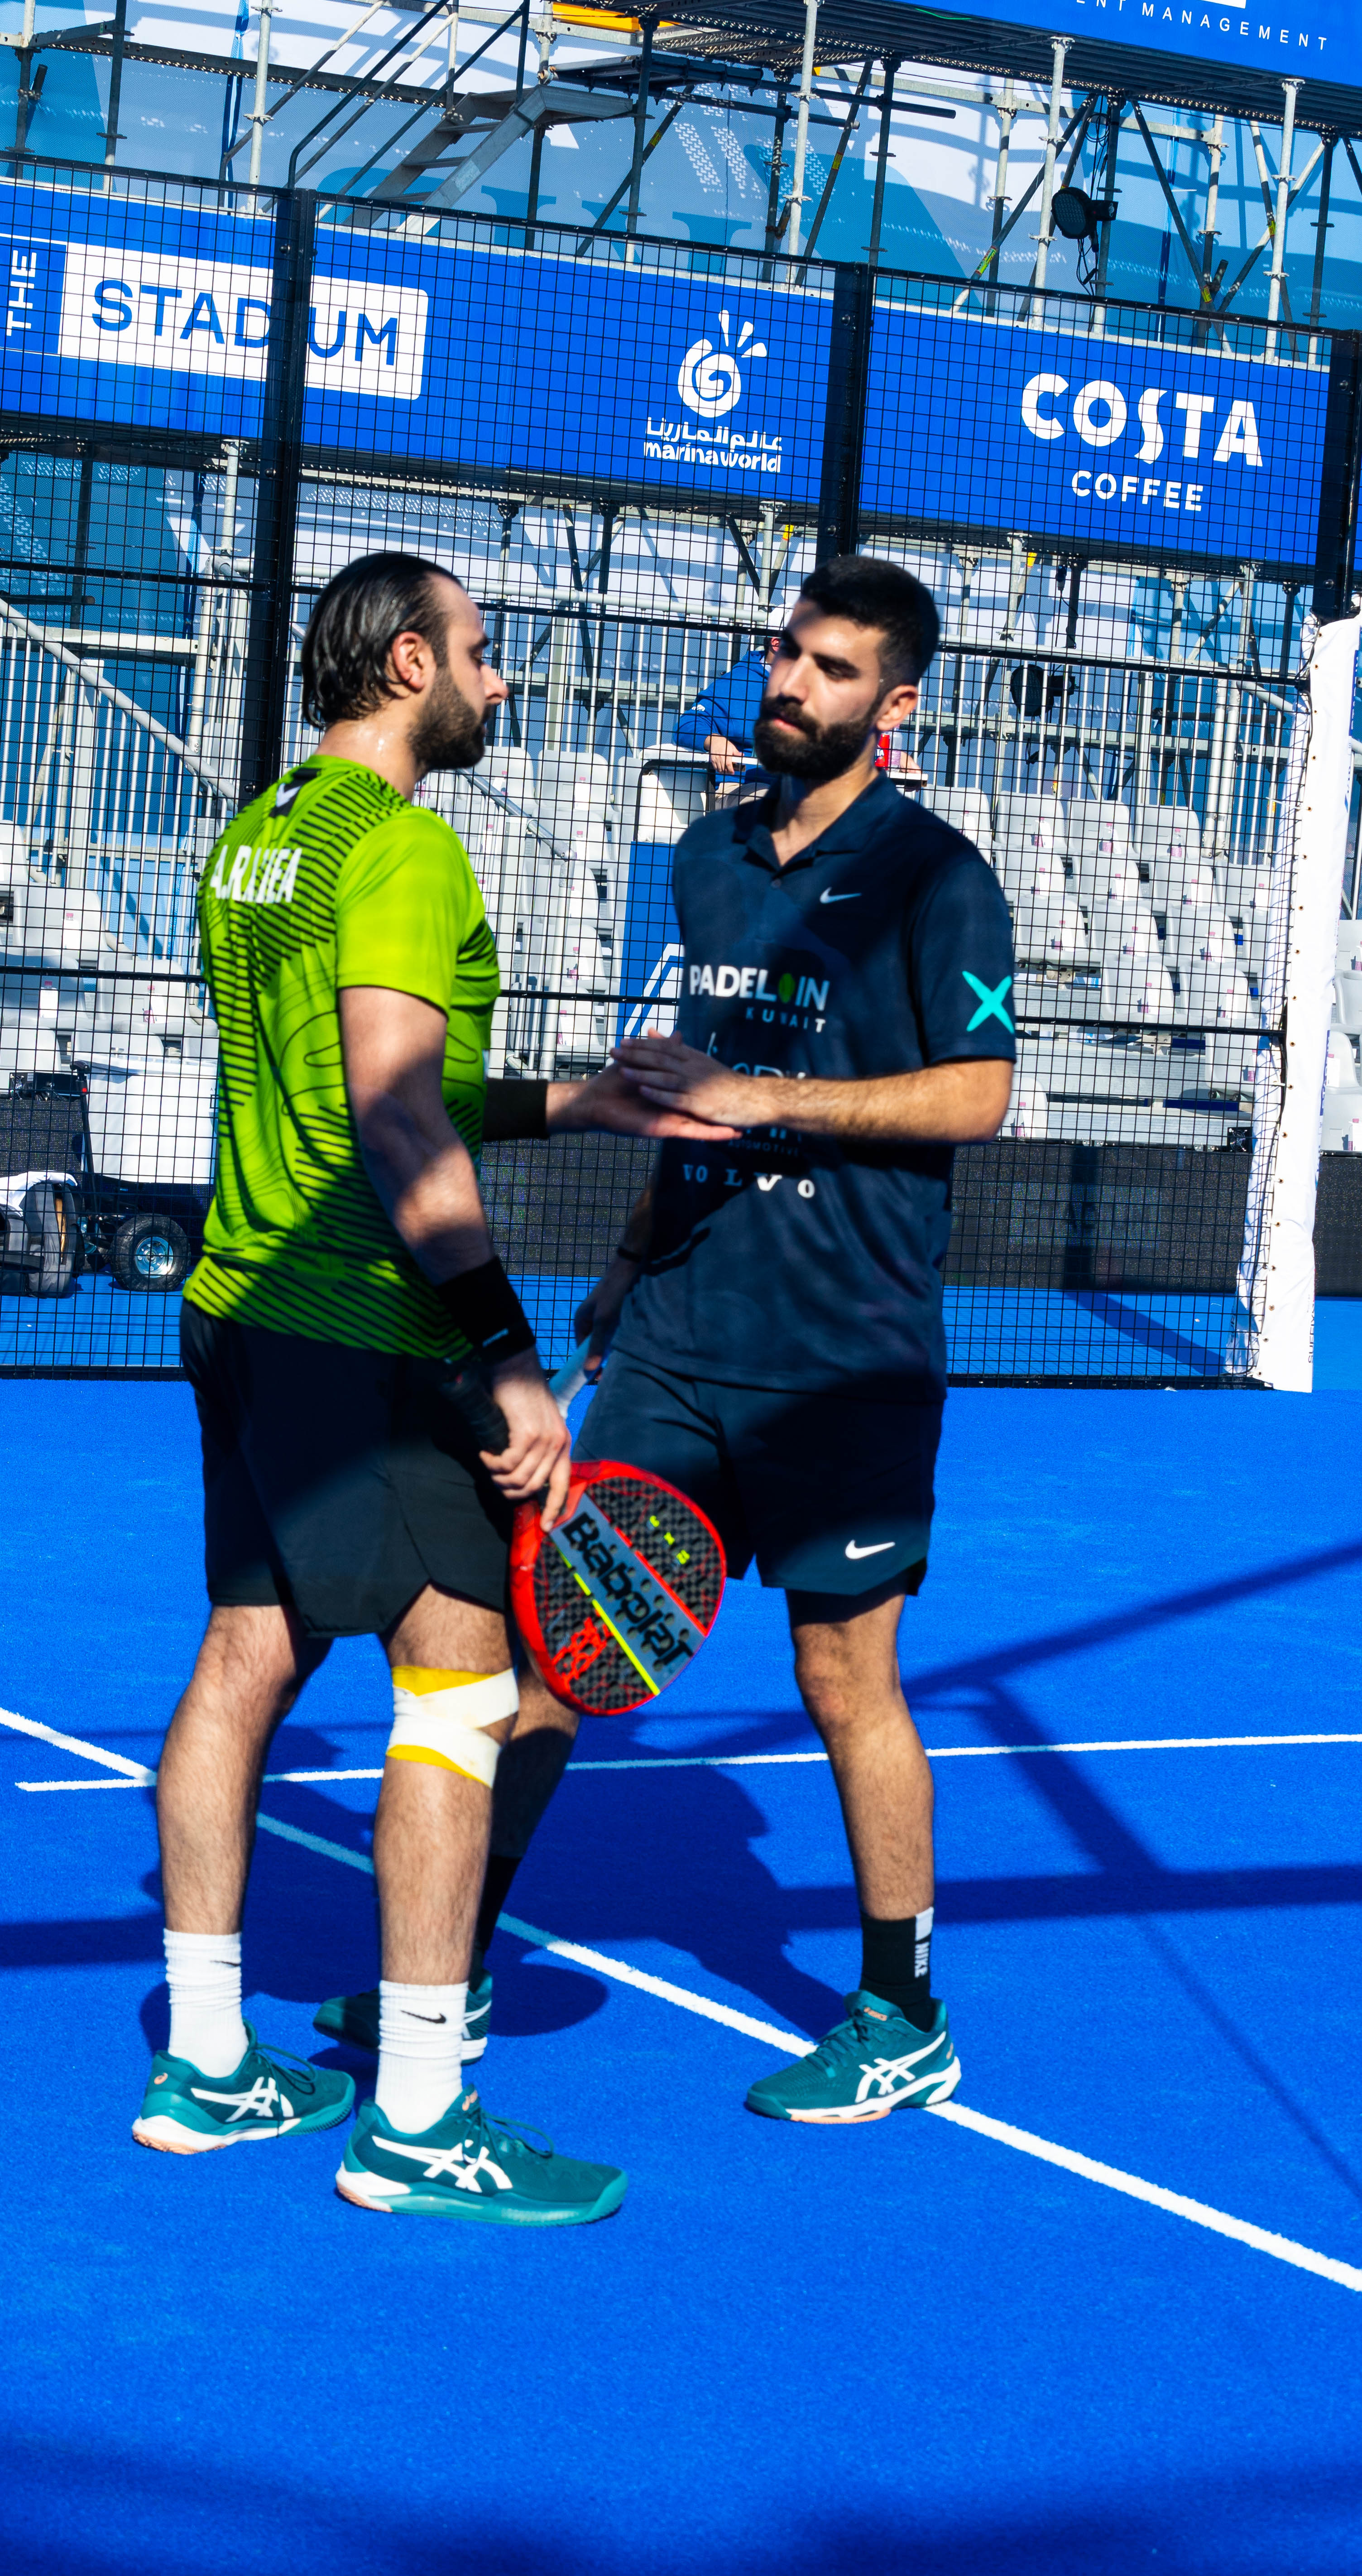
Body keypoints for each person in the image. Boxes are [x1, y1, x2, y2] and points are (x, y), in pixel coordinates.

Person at [371, 552, 1017, 2123]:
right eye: (787, 654)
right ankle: (439, 1973)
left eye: (834, 670)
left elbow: (981, 1095)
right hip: (670, 1333)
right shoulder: (702, 860)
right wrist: (617, 1273)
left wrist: (770, 1101)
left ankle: (899, 2008)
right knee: (550, 1657)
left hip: (843, 1356)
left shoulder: (937, 876)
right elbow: (687, 1109)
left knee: (840, 1676)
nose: (792, 683)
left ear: (895, 705)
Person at [132, 550, 726, 2222]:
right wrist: (507, 1355)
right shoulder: (402, 846)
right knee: (460, 1692)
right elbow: (394, 1122)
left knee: (241, 1658)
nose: (500, 679)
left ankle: (207, 2059)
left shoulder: (261, 835)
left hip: (240, 1304)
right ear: (406, 665)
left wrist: (572, 1105)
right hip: (370, 1330)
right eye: (481, 651)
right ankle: (414, 2116)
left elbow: (371, 1077)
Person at [673, 636, 778, 783]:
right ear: (777, 644)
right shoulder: (739, 681)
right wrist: (715, 741)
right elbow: (687, 724)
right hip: (745, 787)